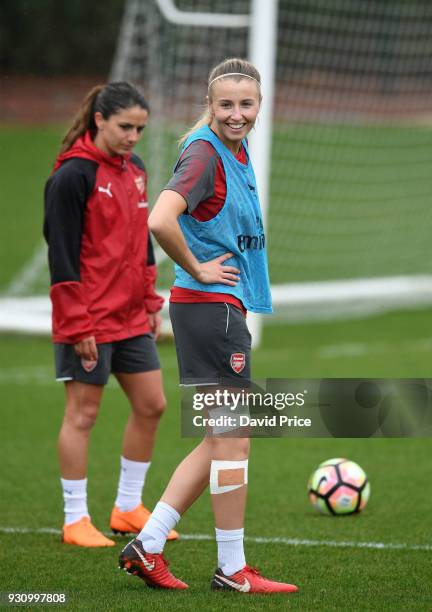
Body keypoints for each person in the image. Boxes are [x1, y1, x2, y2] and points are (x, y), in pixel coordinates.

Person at [119, 59, 298, 593]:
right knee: (235, 440)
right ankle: (232, 569)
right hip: (210, 308)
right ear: (210, 103)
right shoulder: (203, 154)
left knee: (219, 439)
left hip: (216, 310)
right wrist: (196, 267)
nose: (236, 114)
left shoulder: (232, 150)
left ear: (259, 105)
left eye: (246, 104)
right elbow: (159, 218)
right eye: (226, 105)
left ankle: (148, 544)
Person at [43, 81, 178, 547]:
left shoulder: (135, 169)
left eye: (140, 128)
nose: (133, 137)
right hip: (88, 320)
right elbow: (61, 256)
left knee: (152, 404)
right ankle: (75, 519)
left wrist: (148, 303)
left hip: (129, 317)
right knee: (83, 415)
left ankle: (127, 507)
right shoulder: (71, 176)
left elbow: (140, 243)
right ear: (99, 120)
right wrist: (77, 323)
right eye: (125, 127)